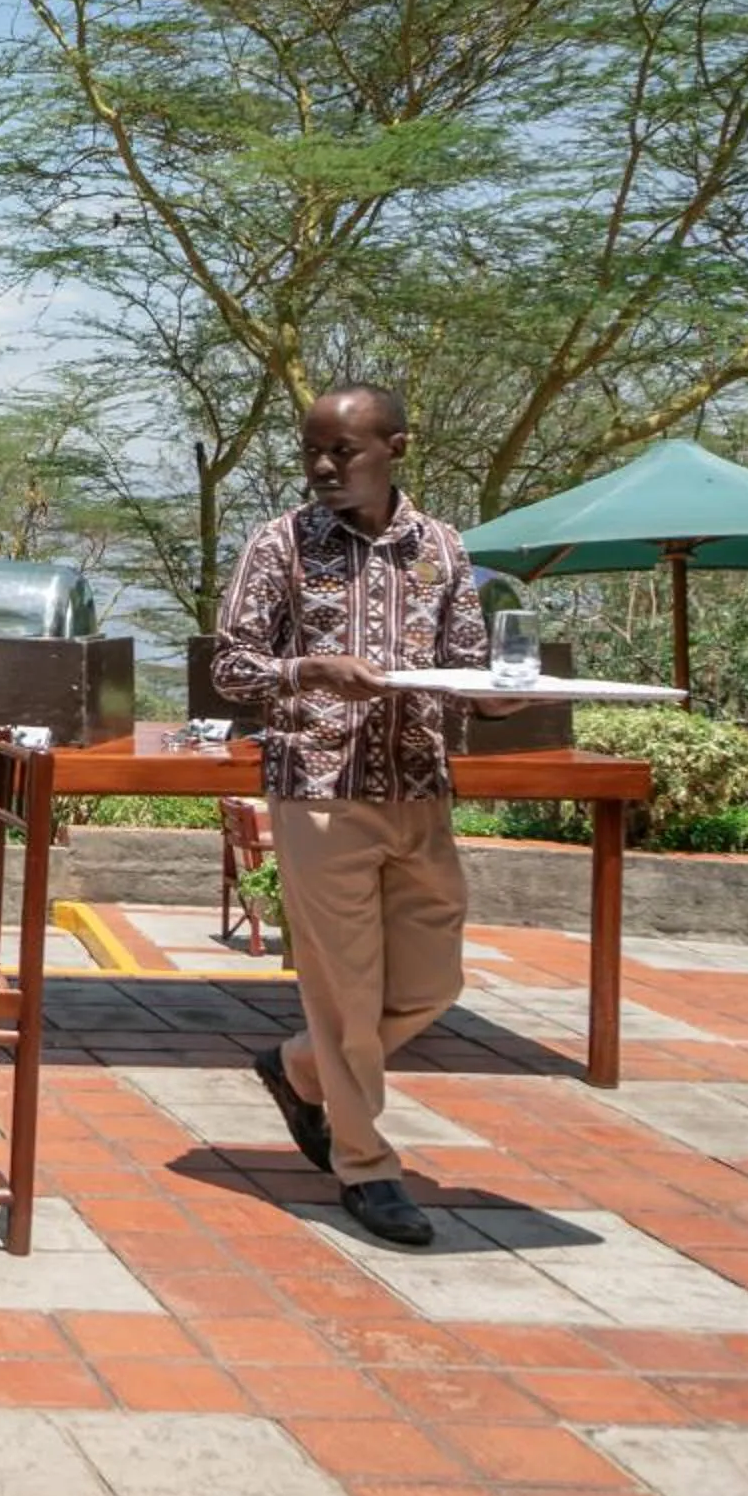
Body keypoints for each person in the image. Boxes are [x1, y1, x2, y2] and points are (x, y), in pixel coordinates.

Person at [211, 383, 515, 1249]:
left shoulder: (443, 549)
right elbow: (232, 666)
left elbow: (465, 665)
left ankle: (298, 1067)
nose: (322, 466)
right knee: (346, 994)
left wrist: (502, 696)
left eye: (342, 451)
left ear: (396, 448)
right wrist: (311, 672)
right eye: (311, 449)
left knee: (433, 984)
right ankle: (367, 1167)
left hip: (420, 787)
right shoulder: (282, 544)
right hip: (317, 791)